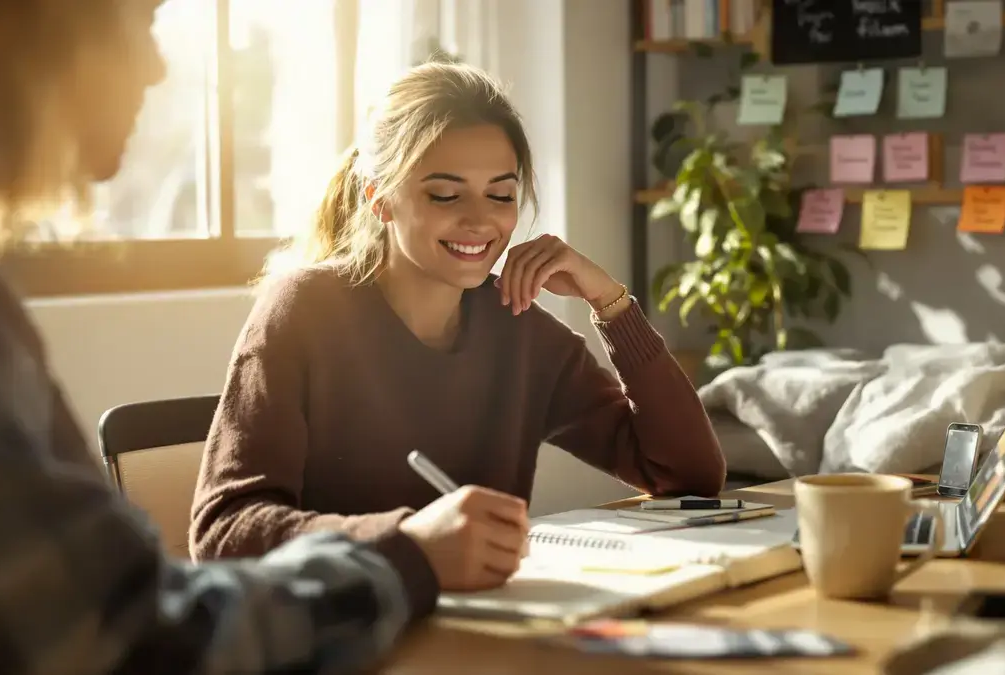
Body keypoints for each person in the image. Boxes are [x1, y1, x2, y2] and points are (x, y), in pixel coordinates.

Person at [0, 3, 525, 672]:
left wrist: (611, 304)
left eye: (502, 193)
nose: (155, 67)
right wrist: (405, 557)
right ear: (38, 30)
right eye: (142, 22)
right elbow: (132, 638)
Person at [189, 60, 727, 584]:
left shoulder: (518, 328)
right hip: (335, 639)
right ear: (380, 199)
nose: (479, 220)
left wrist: (611, 302)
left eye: (501, 195)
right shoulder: (303, 311)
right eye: (445, 194)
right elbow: (221, 533)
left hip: (479, 634)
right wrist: (410, 543)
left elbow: (685, 474)